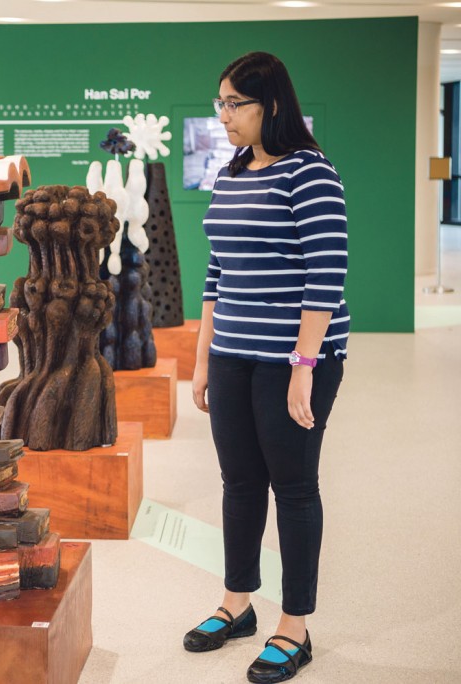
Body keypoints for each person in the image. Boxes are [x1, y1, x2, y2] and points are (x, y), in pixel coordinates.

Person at [182, 52, 348, 684]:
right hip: (233, 357)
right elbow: (217, 271)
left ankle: (295, 628)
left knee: (295, 487)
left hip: (294, 359)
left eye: (234, 104)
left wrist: (304, 365)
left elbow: (325, 276)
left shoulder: (310, 173)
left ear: (270, 106)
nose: (223, 115)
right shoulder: (231, 173)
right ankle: (237, 603)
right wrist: (203, 357)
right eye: (219, 103)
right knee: (239, 483)